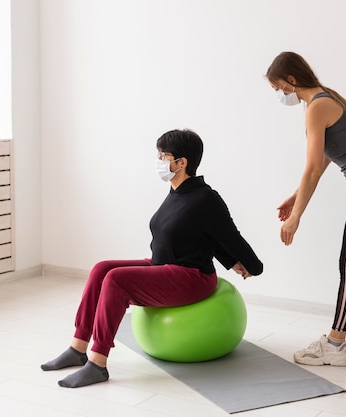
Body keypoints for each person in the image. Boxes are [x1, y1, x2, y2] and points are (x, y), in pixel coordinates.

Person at [41, 128, 263, 387]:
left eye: (163, 155)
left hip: (192, 277)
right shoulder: (176, 192)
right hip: (165, 266)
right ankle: (77, 348)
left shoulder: (206, 197)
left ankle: (97, 363)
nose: (158, 160)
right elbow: (198, 234)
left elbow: (228, 235)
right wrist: (229, 260)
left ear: (181, 163)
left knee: (115, 279)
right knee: (101, 268)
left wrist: (249, 265)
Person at [266, 52, 346, 366]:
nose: (278, 95)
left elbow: (312, 168)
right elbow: (324, 161)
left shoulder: (317, 107)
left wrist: (297, 216)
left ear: (292, 80)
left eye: (278, 88)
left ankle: (334, 343)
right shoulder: (324, 100)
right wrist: (294, 198)